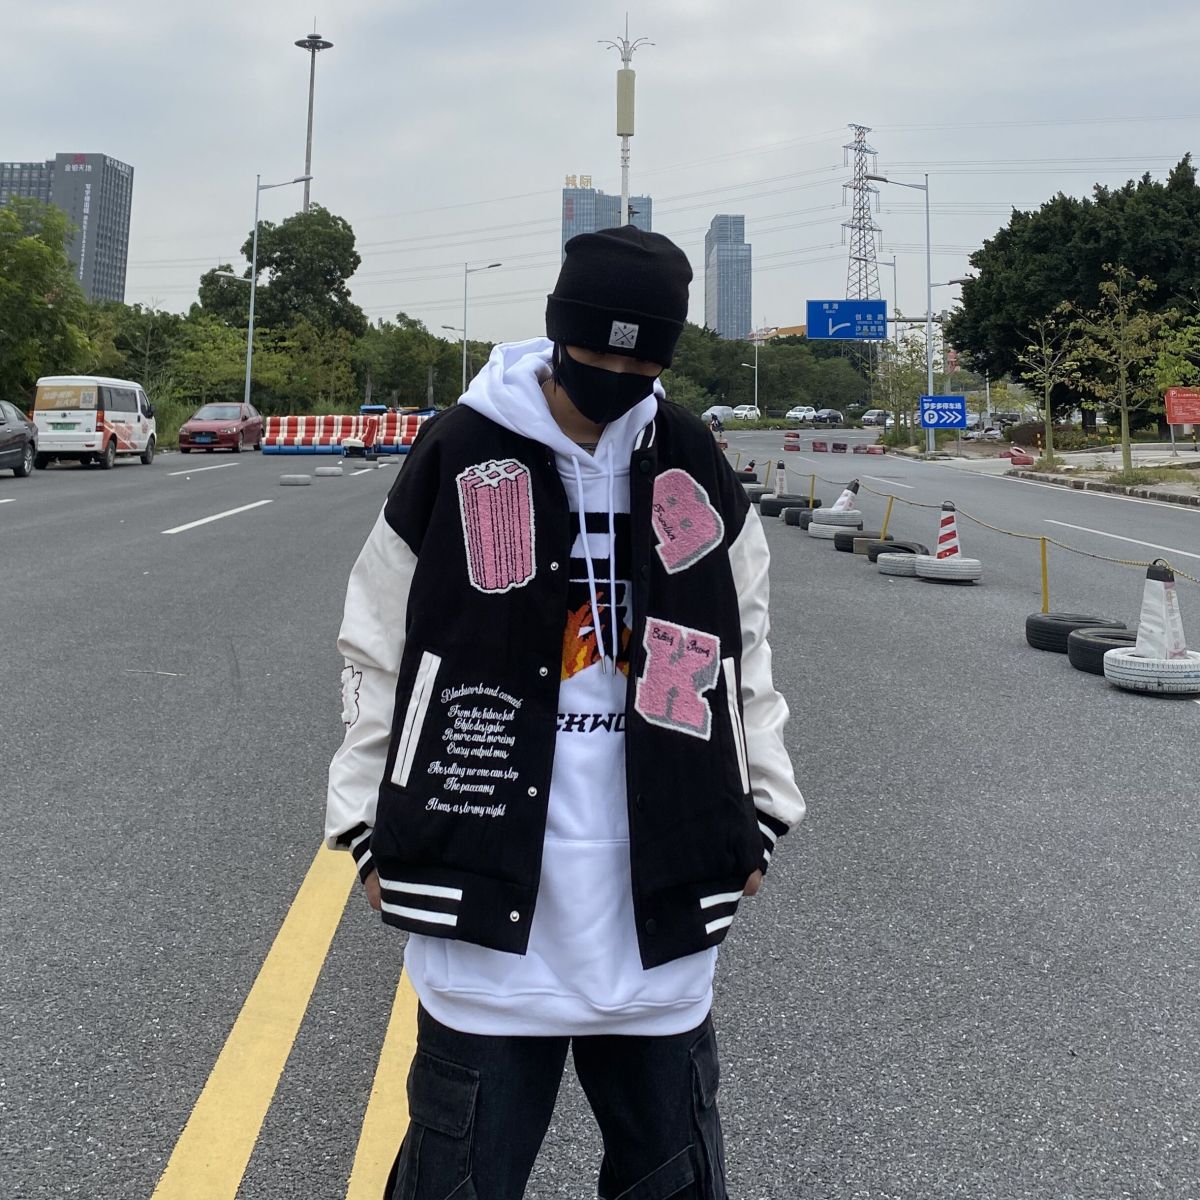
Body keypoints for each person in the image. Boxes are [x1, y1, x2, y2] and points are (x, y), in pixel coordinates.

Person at [326, 225, 805, 1200]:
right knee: (457, 1180)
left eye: (643, 361)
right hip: (484, 902)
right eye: (598, 353)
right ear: (558, 332)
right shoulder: (464, 450)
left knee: (671, 1179)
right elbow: (376, 643)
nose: (617, 377)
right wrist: (363, 825)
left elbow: (745, 642)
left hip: (658, 903)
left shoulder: (689, 461)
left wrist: (762, 810)